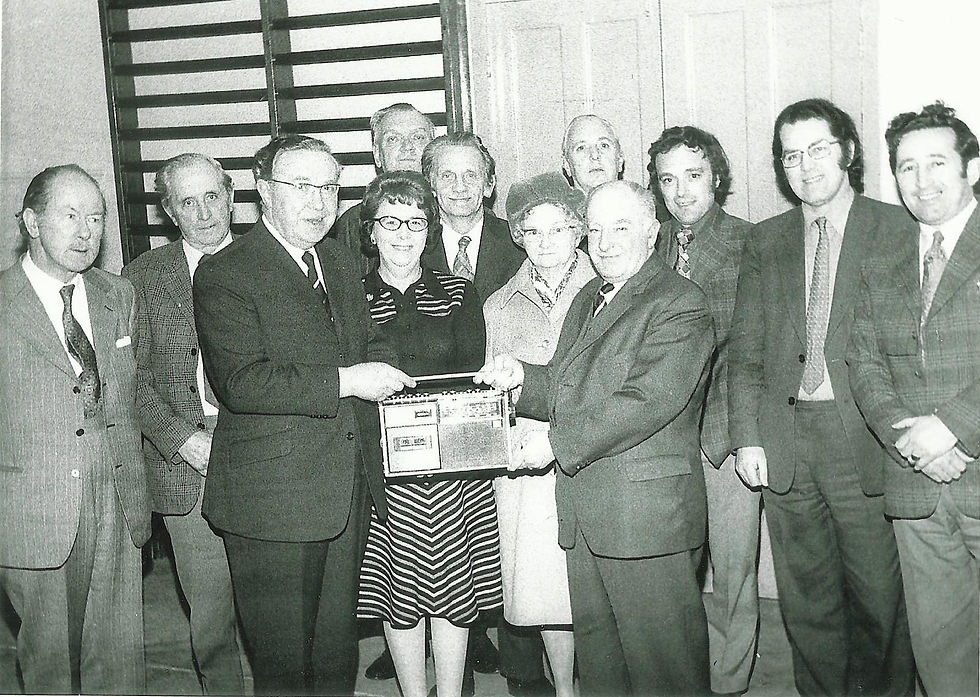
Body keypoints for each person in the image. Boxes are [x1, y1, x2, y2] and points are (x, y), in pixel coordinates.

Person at [193, 135, 414, 696]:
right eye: (302, 187)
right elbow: (241, 382)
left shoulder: (338, 261)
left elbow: (367, 342)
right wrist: (350, 381)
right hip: (271, 505)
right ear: (265, 193)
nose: (319, 202)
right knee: (285, 669)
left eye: (329, 188)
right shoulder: (228, 272)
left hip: (342, 495)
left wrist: (393, 369)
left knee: (335, 657)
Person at [478, 179, 714, 697]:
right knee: (604, 668)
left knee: (665, 669)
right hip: (586, 515)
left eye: (621, 228)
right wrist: (521, 379)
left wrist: (555, 444)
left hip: (645, 519)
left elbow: (646, 400)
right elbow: (567, 382)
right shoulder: (591, 296)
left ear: (653, 233)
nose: (605, 243)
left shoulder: (680, 302)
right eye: (597, 229)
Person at [728, 98, 915, 697]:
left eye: (818, 149)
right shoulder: (766, 240)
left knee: (879, 599)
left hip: (863, 436)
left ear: (849, 152)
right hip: (785, 439)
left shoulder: (895, 229)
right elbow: (745, 350)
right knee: (806, 600)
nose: (804, 166)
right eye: (790, 155)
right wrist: (746, 435)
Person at [0, 164, 151, 693]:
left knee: (120, 659)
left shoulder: (119, 295)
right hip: (34, 505)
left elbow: (130, 396)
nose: (86, 231)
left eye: (96, 217)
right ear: (32, 222)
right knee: (49, 665)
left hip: (117, 497)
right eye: (70, 215)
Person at [848, 101, 980, 697]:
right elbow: (864, 361)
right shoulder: (884, 259)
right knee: (942, 654)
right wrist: (916, 440)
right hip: (918, 487)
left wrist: (952, 427)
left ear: (971, 168)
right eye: (906, 167)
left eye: (936, 162)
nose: (921, 180)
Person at [355, 170, 503, 697]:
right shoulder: (348, 295)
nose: (402, 233)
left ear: (430, 228)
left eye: (415, 222)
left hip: (452, 470)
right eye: (390, 221)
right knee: (399, 593)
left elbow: (474, 376)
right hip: (381, 472)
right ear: (371, 230)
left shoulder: (460, 290)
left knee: (452, 589)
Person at [121, 153, 244, 694]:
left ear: (232, 195)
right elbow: (130, 380)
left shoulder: (272, 262)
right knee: (212, 607)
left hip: (268, 454)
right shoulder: (142, 277)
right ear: (169, 212)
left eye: (211, 196)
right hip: (188, 461)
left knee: (278, 605)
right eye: (186, 202)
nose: (203, 212)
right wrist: (183, 440)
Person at [649, 125, 759, 697]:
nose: (681, 191)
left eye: (693, 175)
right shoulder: (649, 242)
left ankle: (730, 681)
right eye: (668, 179)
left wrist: (747, 434)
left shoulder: (748, 241)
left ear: (716, 175)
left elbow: (750, 348)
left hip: (724, 429)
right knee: (674, 566)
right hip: (661, 434)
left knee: (735, 568)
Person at [484, 172, 595, 697]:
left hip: (595, 452)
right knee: (546, 590)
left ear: (579, 231)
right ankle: (564, 689)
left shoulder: (606, 287)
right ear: (519, 237)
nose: (546, 242)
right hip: (527, 463)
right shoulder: (498, 306)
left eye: (559, 229)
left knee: (592, 583)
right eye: (534, 231)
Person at [330, 103, 437, 276]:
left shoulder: (452, 212)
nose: (407, 147)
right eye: (393, 139)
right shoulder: (352, 224)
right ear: (377, 155)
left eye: (418, 137)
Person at [421, 131, 525, 304]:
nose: (459, 187)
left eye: (470, 175)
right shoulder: (414, 246)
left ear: (489, 185)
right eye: (447, 176)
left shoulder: (518, 244)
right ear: (431, 186)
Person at [561, 114, 625, 193]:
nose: (594, 155)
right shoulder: (548, 205)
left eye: (604, 145)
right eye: (581, 148)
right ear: (567, 165)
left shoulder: (641, 204)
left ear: (619, 160)